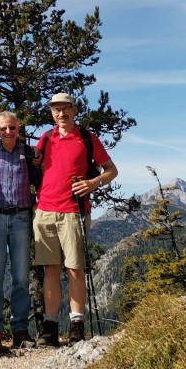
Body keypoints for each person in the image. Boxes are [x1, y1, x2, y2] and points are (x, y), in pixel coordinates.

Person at [33, 92, 118, 346]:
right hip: (45, 210)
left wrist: (94, 182)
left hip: (74, 210)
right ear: (52, 112)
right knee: (50, 269)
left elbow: (112, 170)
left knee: (75, 268)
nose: (61, 113)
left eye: (65, 108)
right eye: (56, 109)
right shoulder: (46, 137)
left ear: (75, 110)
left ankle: (76, 326)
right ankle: (50, 328)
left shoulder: (87, 138)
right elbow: (36, 164)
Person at [0, 110, 41, 351]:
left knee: (21, 278)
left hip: (21, 218)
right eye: (3, 128)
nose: (7, 132)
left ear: (18, 128)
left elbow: (41, 181)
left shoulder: (29, 153)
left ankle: (20, 330)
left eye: (12, 127)